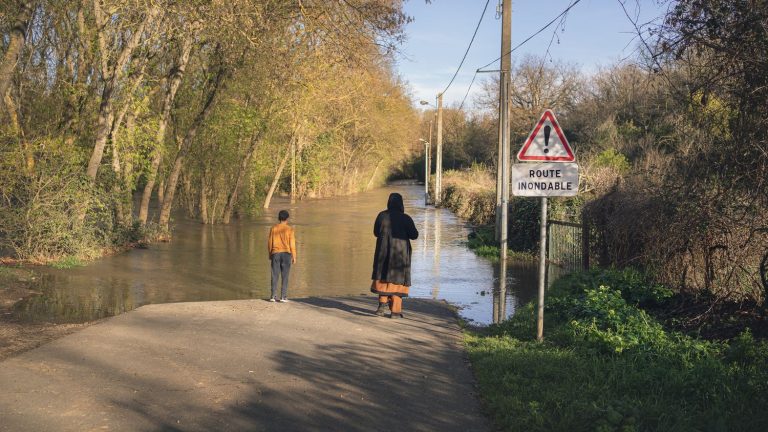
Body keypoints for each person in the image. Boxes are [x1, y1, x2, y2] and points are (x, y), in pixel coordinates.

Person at [370, 193, 418, 318]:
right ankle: (395, 312)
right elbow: (414, 235)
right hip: (400, 255)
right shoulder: (406, 218)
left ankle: (381, 307)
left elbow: (376, 232)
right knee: (398, 281)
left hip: (383, 253)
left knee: (383, 277)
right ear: (401, 204)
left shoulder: (381, 216)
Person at [268, 210, 296, 302]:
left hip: (275, 253)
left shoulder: (273, 228)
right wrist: (294, 256)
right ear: (287, 218)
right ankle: (283, 297)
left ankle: (273, 296)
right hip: (286, 254)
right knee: (285, 276)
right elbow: (292, 244)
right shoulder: (290, 229)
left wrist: (270, 254)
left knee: (274, 275)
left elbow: (269, 243)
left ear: (279, 218)